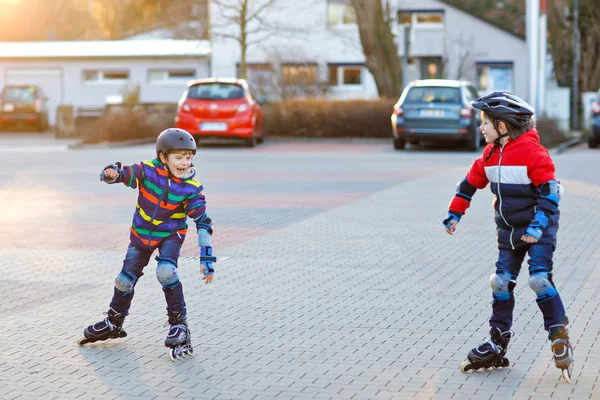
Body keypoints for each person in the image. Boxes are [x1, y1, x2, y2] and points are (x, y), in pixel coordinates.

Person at [443, 92, 574, 382]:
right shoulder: (490, 155)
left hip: (539, 229)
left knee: (539, 280)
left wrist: (538, 226)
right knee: (500, 282)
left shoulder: (533, 153)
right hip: (509, 230)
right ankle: (497, 342)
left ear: (502, 126)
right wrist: (455, 213)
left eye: (485, 123)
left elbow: (550, 193)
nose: (481, 128)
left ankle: (559, 336)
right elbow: (469, 184)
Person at [78, 128, 216, 360]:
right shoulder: (147, 171)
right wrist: (111, 173)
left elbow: (202, 221)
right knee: (123, 280)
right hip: (141, 234)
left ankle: (180, 325)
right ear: (163, 157)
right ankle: (114, 321)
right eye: (179, 157)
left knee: (165, 272)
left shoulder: (191, 187)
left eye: (188, 157)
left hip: (171, 235)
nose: (185, 163)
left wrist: (207, 258)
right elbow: (123, 174)